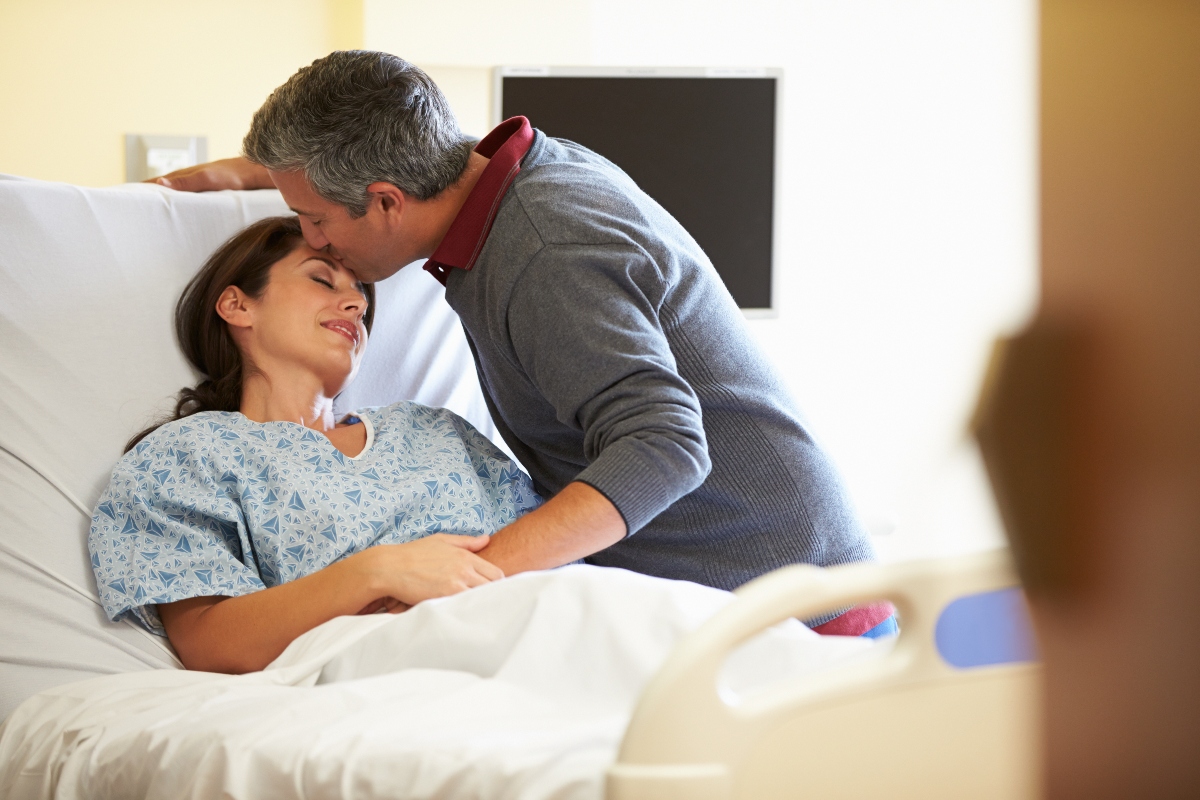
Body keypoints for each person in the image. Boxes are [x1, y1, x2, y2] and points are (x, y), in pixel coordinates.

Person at [155, 50, 895, 637]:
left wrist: (441, 596)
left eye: (315, 219)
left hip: (788, 609)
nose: (324, 247)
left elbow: (664, 446)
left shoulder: (541, 251)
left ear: (385, 201)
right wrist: (251, 176)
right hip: (762, 586)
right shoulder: (517, 174)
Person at [89, 216, 543, 673]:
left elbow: (551, 549)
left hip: (531, 636)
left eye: (361, 298)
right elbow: (211, 644)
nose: (354, 305)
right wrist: (379, 572)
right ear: (237, 306)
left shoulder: (435, 431)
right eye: (322, 280)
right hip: (386, 675)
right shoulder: (188, 456)